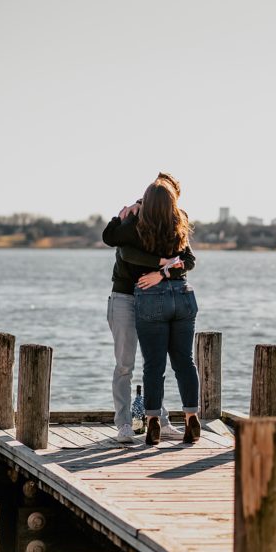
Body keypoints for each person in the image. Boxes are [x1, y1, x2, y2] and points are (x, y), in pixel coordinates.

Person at [108, 179, 200, 445]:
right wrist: (163, 264)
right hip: (126, 296)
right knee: (126, 364)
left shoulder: (171, 223)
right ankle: (124, 424)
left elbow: (188, 260)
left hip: (155, 298)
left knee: (155, 362)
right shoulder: (135, 219)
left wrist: (161, 273)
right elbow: (121, 248)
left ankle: (160, 419)